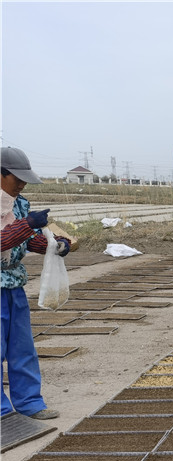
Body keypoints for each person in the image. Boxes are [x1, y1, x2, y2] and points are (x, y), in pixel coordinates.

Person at [1, 147, 71, 420]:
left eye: (24, 179)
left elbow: (27, 240)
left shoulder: (19, 204)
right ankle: (2, 412)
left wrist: (54, 245)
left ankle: (30, 402)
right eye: (16, 178)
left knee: (22, 348)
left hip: (13, 284)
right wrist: (27, 224)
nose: (22, 184)